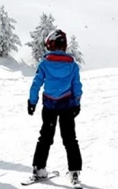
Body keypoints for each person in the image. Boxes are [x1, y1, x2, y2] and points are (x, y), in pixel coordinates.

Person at [27, 29, 83, 185]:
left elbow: (36, 84)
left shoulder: (45, 63)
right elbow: (76, 86)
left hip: (50, 106)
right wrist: (77, 103)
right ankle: (74, 173)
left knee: (45, 137)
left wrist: (32, 102)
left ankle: (39, 168)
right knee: (70, 139)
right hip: (67, 106)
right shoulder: (72, 65)